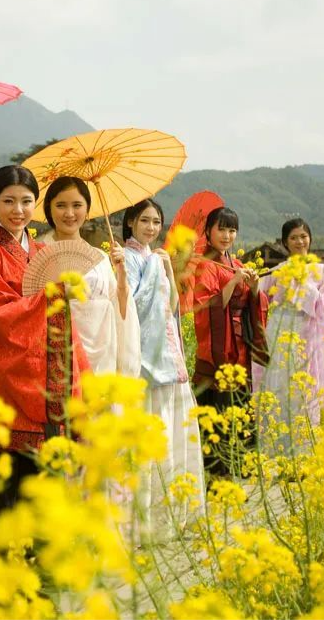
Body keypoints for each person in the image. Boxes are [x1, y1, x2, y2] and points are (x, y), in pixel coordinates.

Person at [0, 166, 92, 513]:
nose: (18, 210)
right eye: (8, 201)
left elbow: (64, 320)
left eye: (26, 201)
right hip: (11, 376)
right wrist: (51, 296)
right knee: (12, 486)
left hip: (52, 371)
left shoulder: (43, 250)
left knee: (51, 486)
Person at [122, 199, 204, 520]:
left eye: (156, 222)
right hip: (144, 358)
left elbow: (171, 307)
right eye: (144, 221)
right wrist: (153, 272)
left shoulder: (155, 259)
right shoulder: (126, 258)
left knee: (171, 431)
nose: (151, 228)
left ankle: (171, 512)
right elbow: (128, 304)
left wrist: (166, 269)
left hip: (169, 356)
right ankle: (147, 517)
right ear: (131, 222)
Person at [182, 207, 268, 476]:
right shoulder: (205, 265)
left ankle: (241, 465)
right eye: (221, 229)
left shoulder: (237, 264)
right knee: (218, 410)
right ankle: (218, 474)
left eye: (232, 230)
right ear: (208, 232)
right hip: (219, 349)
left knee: (239, 406)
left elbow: (257, 304)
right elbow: (204, 306)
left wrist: (254, 288)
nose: (227, 235)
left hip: (240, 346)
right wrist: (232, 283)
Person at [39, 176, 141, 377]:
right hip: (62, 357)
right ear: (49, 209)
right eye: (61, 205)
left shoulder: (102, 257)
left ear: (87, 210)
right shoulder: (40, 252)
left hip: (104, 357)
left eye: (77, 205)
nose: (69, 213)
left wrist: (121, 275)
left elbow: (119, 308)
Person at [252, 218, 324, 454]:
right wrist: (252, 282)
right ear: (285, 243)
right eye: (294, 238)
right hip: (278, 335)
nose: (299, 241)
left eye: (303, 236)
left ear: (310, 238)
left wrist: (302, 283)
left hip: (307, 337)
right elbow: (259, 296)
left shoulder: (323, 271)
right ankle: (276, 451)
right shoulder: (278, 270)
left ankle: (304, 454)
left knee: (304, 392)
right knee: (278, 389)